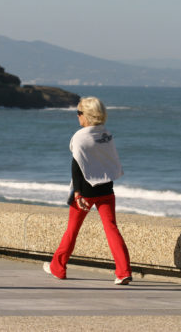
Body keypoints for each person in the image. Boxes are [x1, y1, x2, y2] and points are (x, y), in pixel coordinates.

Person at [43, 97, 132, 285]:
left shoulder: (80, 136)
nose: (77, 116)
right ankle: (123, 271)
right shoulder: (106, 134)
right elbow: (110, 160)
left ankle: (58, 268)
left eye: (79, 113)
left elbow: (76, 166)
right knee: (111, 229)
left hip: (84, 191)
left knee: (72, 231)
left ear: (87, 115)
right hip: (106, 187)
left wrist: (77, 193)